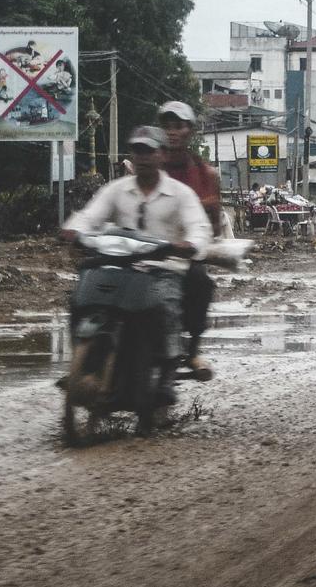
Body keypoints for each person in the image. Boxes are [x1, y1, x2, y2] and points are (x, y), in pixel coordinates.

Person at [61, 126, 212, 405]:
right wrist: (74, 231)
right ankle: (80, 363)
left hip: (163, 269)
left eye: (149, 150)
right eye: (138, 150)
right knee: (80, 298)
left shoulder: (181, 195)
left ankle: (167, 373)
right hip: (118, 266)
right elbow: (89, 216)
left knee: (165, 309)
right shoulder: (116, 190)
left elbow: (199, 228)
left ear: (163, 155)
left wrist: (188, 244)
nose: (142, 156)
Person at [158, 101, 221, 382]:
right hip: (146, 247)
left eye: (178, 126)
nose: (172, 132)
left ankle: (193, 349)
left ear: (190, 131)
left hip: (185, 251)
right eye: (167, 126)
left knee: (201, 283)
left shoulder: (205, 173)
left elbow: (214, 223)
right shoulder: (148, 163)